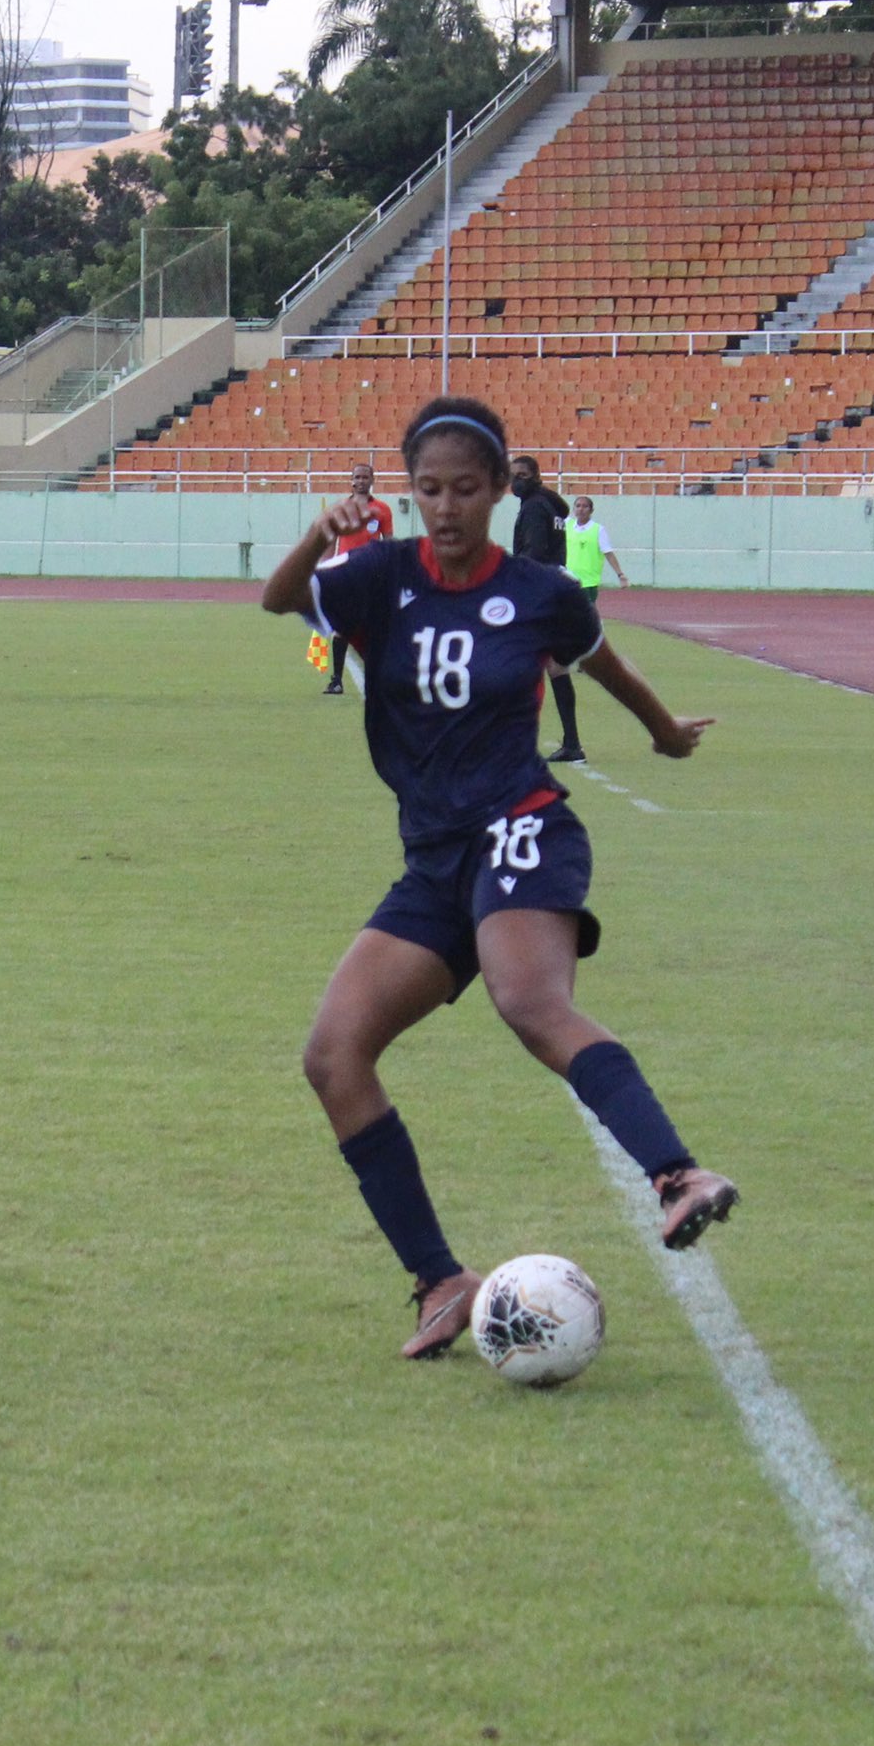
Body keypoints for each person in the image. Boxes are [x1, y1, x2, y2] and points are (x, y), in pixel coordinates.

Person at [261, 395, 738, 1361]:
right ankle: (441, 1284)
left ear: (497, 488)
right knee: (332, 1055)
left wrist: (664, 733)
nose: (445, 507)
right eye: (428, 488)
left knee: (528, 1000)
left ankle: (678, 1175)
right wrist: (320, 534)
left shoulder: (537, 590)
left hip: (521, 828)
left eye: (465, 489)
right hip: (435, 859)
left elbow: (603, 663)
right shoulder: (377, 575)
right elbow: (276, 601)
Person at [546, 496, 634, 763]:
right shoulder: (566, 526)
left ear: (591, 510)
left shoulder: (598, 530)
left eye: (585, 506)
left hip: (587, 584)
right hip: (567, 582)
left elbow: (607, 552)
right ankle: (581, 657)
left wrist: (620, 574)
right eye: (578, 506)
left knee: (587, 622)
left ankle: (589, 657)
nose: (580, 510)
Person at [509, 454, 581, 762]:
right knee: (555, 667)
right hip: (554, 587)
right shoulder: (551, 505)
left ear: (536, 477)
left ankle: (516, 741)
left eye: (522, 476)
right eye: (514, 475)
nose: (516, 481)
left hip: (539, 592)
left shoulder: (535, 507)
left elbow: (534, 553)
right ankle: (572, 742)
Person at [319, 461, 393, 694]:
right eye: (357, 477)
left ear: (372, 481)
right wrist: (325, 570)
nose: (361, 481)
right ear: (351, 481)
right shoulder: (340, 508)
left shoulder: (382, 509)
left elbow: (388, 541)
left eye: (365, 477)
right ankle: (336, 680)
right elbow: (331, 541)